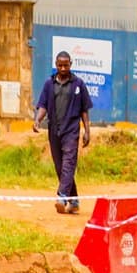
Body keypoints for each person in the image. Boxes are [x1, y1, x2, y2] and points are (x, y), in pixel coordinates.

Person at [32, 49, 94, 214]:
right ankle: (74, 201)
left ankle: (62, 197)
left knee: (68, 163)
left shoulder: (78, 84)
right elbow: (43, 105)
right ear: (56, 65)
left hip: (71, 130)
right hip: (54, 130)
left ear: (70, 64)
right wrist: (37, 120)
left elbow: (84, 110)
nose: (63, 68)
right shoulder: (49, 84)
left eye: (66, 65)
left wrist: (87, 131)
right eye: (60, 65)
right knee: (60, 167)